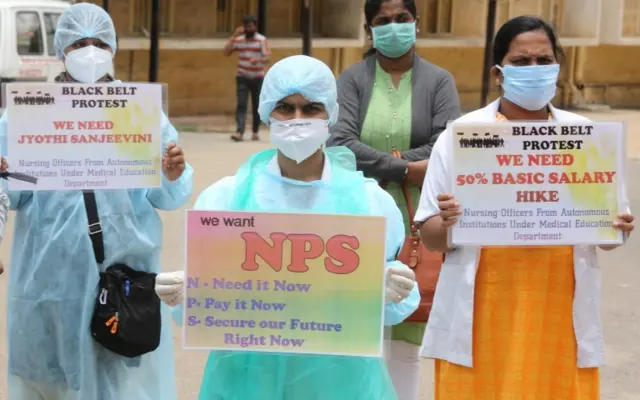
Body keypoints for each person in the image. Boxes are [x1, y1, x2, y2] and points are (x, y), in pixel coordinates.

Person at [154, 55, 420, 399]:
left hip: (339, 383)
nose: (298, 119)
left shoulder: (370, 204)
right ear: (266, 112)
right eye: (285, 107)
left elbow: (390, 308)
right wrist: (187, 296)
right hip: (246, 381)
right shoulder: (226, 199)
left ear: (331, 115)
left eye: (311, 109)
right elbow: (208, 306)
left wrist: (388, 288)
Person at [415, 15, 635, 399]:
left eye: (543, 60)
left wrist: (617, 227)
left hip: (558, 306)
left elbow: (611, 237)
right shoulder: (461, 137)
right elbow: (431, 236)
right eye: (521, 62)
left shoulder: (585, 139)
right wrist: (448, 222)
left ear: (557, 66)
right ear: (498, 73)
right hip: (483, 310)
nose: (534, 70)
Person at [1, 3, 193, 399]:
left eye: (100, 42)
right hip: (48, 277)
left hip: (123, 276)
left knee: (120, 379)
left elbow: (166, 195)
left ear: (115, 48)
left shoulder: (140, 113)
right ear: (62, 51)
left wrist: (171, 172)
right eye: (80, 43)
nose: (91, 51)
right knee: (54, 380)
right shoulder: (29, 113)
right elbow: (14, 194)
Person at [326, 1, 460, 398]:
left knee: (406, 339)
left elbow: (448, 143)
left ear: (416, 23)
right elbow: (340, 142)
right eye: (383, 21)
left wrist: (384, 163)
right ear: (369, 30)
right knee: (358, 329)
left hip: (421, 217)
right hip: (360, 215)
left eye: (402, 19)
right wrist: (405, 167)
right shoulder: (352, 80)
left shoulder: (439, 81)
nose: (393, 27)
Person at [224, 15, 271, 142]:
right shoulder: (239, 40)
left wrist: (258, 60)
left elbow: (267, 57)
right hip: (242, 76)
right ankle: (239, 132)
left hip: (257, 77)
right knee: (241, 104)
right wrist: (234, 35)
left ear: (255, 27)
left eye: (251, 26)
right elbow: (226, 52)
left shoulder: (261, 40)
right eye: (247, 26)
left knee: (257, 105)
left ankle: (255, 131)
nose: (249, 28)